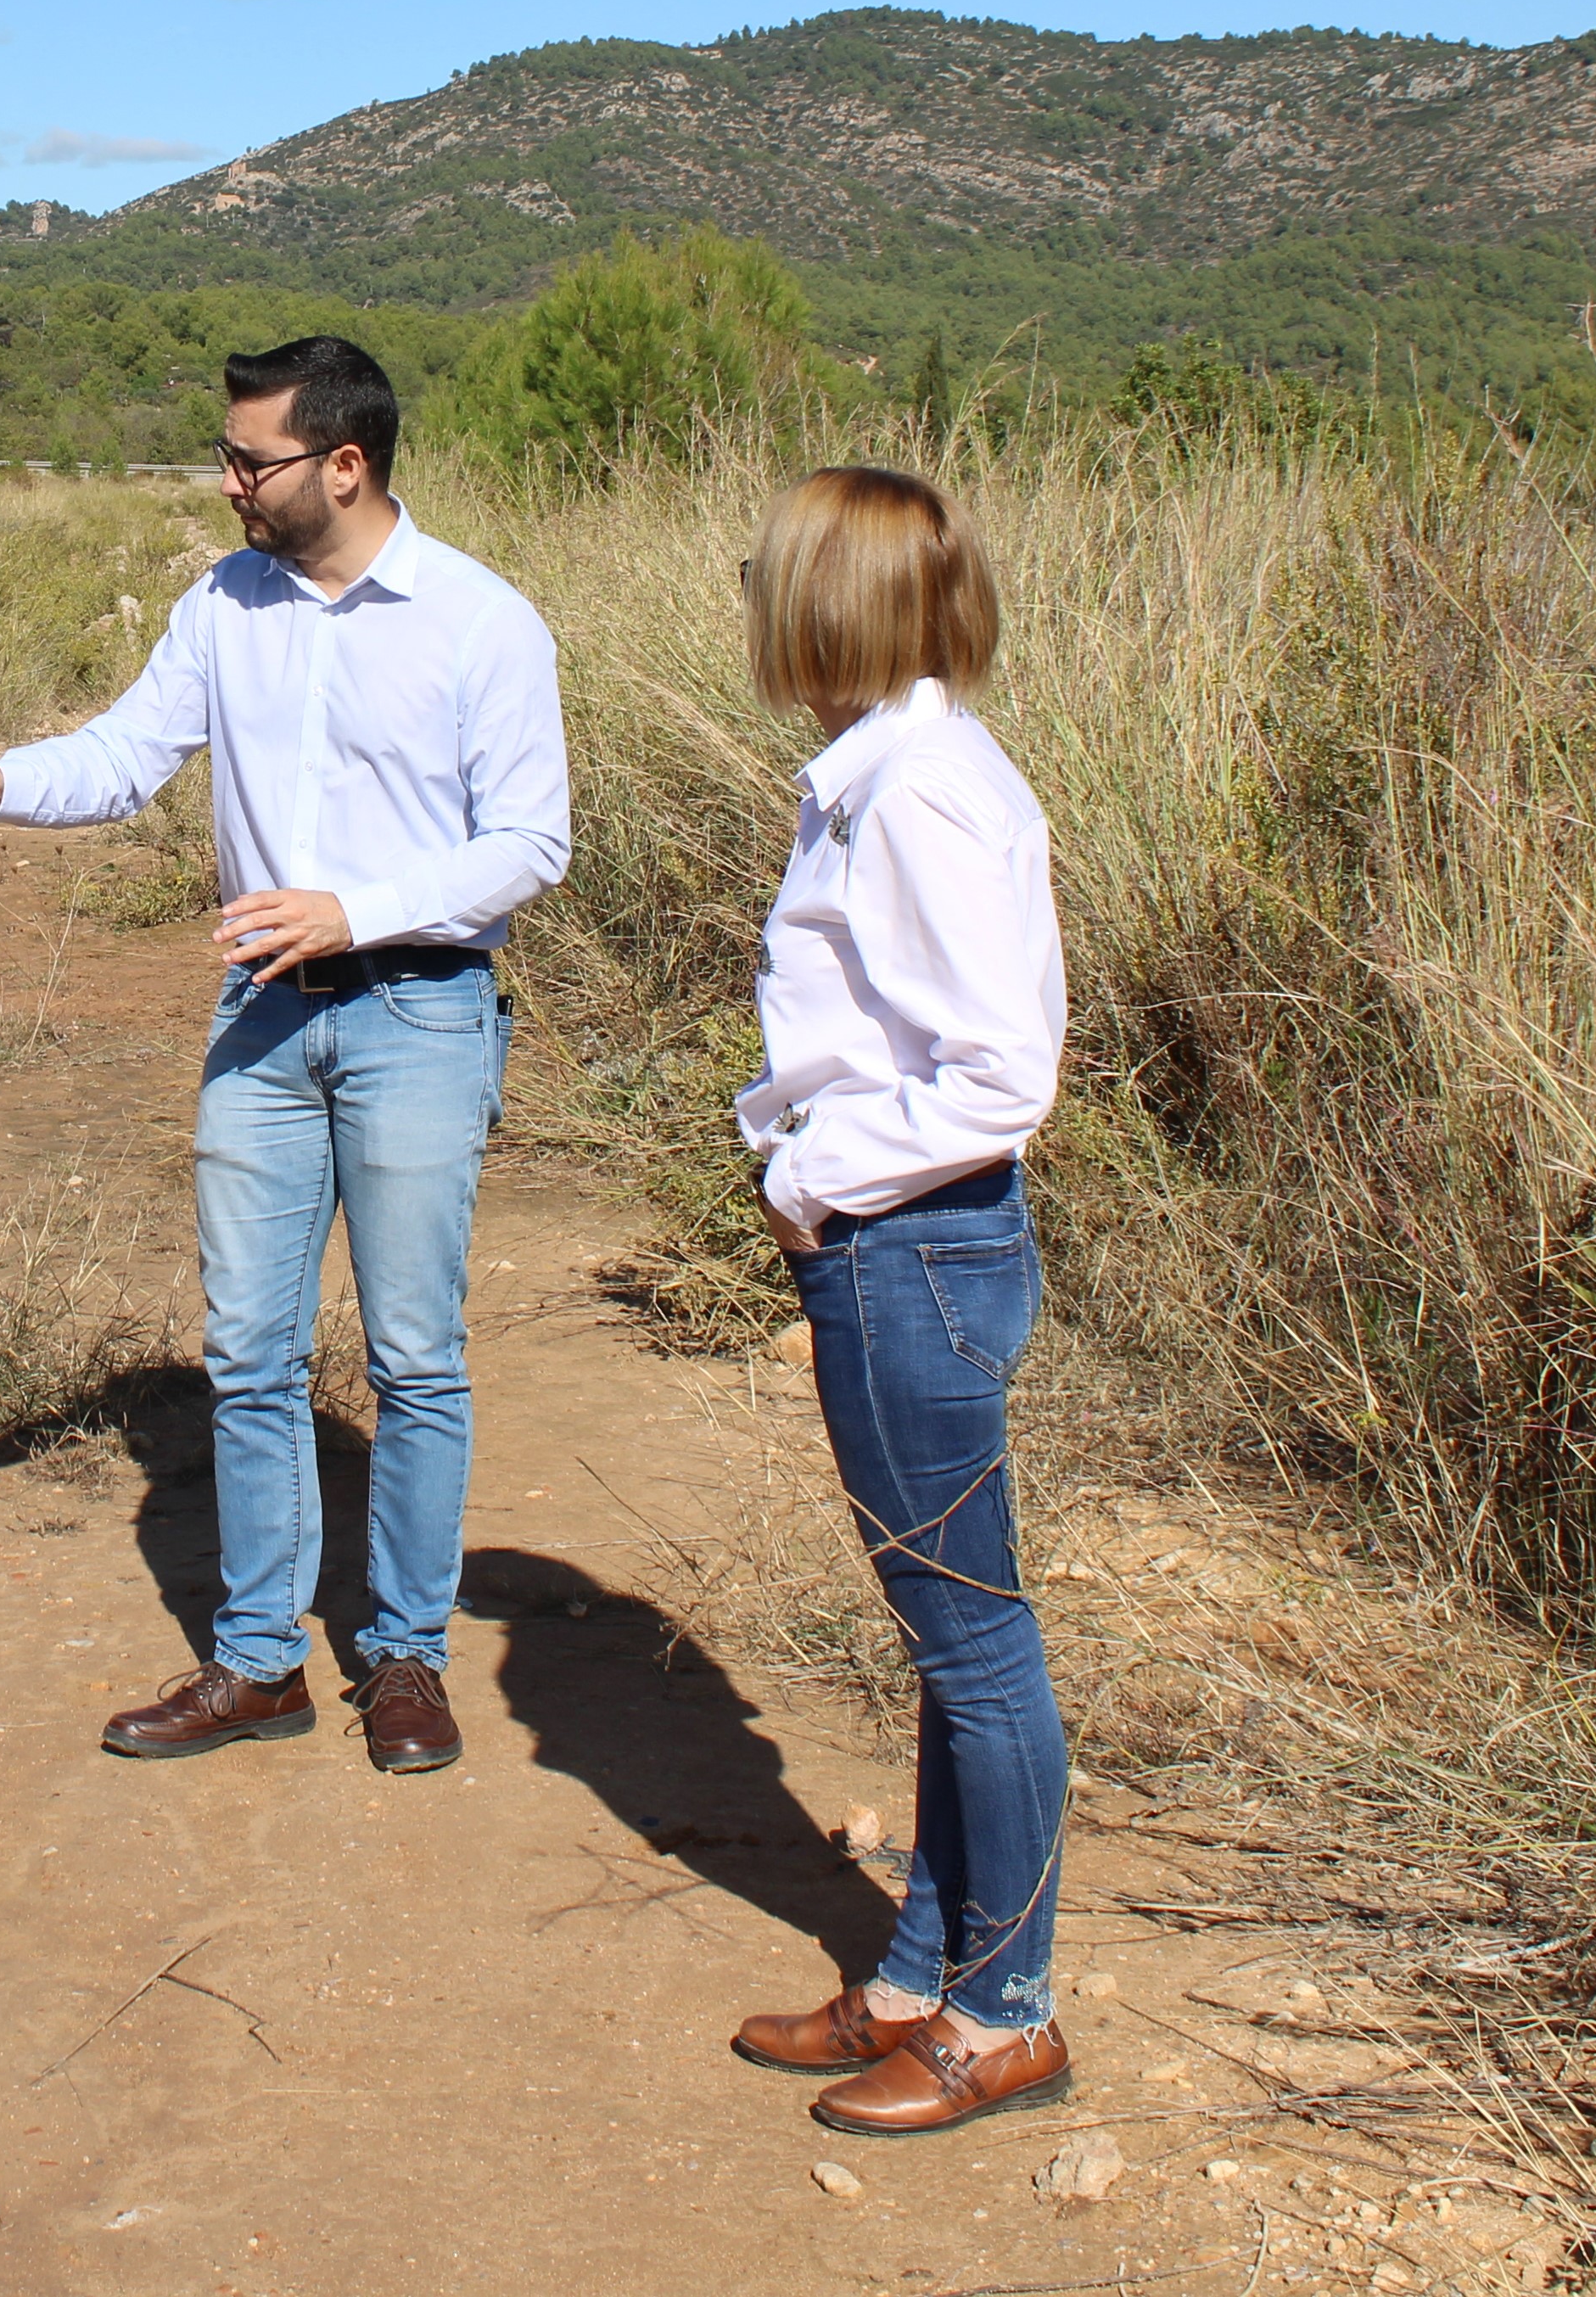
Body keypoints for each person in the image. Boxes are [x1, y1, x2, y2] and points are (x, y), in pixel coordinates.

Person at [0, 336, 568, 1775]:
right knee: (251, 1351)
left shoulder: (480, 621)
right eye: (228, 453)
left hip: (420, 1008)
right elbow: (127, 752)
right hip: (261, 1016)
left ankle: (405, 1658)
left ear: (345, 461)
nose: (228, 482)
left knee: (414, 1358)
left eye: (252, 460)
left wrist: (355, 906)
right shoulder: (225, 604)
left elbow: (528, 843)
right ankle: (259, 1660)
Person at [716, 466, 1077, 2136]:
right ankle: (920, 1979)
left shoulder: (917, 787)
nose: (755, 597)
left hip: (912, 1246)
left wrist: (815, 1185)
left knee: (977, 1643)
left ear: (832, 599)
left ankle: (1005, 2013)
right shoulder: (885, 772)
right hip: (905, 1241)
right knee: (951, 1642)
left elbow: (1000, 1075)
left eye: (775, 574)